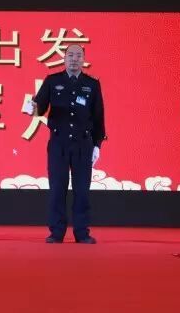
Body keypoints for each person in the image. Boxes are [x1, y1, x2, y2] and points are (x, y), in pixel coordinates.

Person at [27, 44, 105, 244]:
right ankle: (56, 232)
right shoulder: (53, 81)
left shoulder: (92, 84)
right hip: (58, 143)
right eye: (70, 55)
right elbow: (39, 108)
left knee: (82, 190)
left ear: (84, 59)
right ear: (64, 58)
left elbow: (98, 117)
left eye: (78, 56)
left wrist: (97, 144)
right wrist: (32, 108)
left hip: (83, 144)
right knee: (57, 189)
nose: (74, 59)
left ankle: (82, 232)